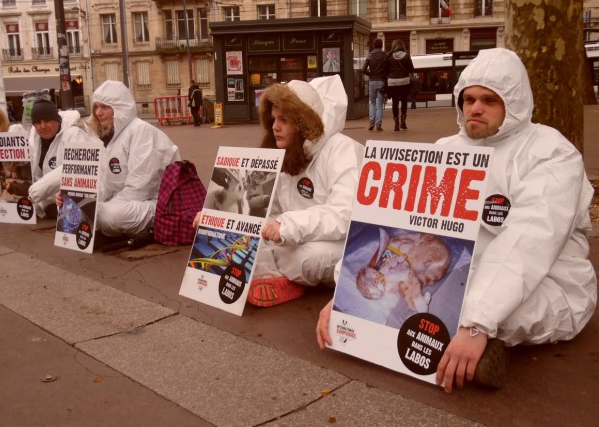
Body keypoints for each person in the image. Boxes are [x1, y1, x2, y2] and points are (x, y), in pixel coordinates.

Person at [316, 48, 597, 393]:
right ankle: (461, 350)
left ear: (516, 103)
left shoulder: (551, 153)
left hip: (546, 276)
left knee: (495, 309)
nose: (475, 108)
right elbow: (395, 216)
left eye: (489, 100)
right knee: (431, 301)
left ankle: (467, 344)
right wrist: (341, 302)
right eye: (469, 99)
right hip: (460, 267)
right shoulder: (446, 147)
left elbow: (530, 240)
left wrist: (478, 322)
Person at [248, 75, 363, 307]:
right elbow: (269, 207)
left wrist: (289, 226)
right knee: (249, 237)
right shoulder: (286, 151)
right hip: (294, 234)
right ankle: (279, 277)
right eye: (273, 119)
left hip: (341, 239)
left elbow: (345, 214)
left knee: (306, 258)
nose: (275, 127)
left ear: (303, 122)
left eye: (284, 120)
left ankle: (282, 277)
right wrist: (220, 219)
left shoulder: (341, 149)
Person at [79, 80, 180, 238]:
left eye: (105, 107)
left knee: (106, 215)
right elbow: (104, 182)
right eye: (96, 107)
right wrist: (78, 197)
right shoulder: (104, 135)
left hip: (154, 202)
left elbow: (140, 186)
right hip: (122, 200)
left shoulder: (141, 131)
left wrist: (100, 207)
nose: (98, 113)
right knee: (76, 207)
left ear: (119, 108)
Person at [27, 99, 87, 218]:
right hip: (47, 204)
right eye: (38, 122)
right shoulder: (36, 139)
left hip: (70, 202)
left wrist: (36, 192)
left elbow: (76, 167)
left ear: (58, 121)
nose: (43, 126)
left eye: (47, 120)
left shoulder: (73, 134)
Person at [385, 39, 415, 131]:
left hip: (392, 82)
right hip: (404, 81)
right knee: (404, 101)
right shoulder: (406, 56)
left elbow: (386, 69)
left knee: (395, 102)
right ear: (403, 46)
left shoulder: (389, 57)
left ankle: (396, 123)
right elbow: (411, 69)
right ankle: (403, 122)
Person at [361, 38, 388, 131]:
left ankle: (371, 122)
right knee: (379, 103)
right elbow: (387, 69)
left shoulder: (369, 56)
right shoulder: (385, 56)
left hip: (372, 81)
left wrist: (371, 74)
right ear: (381, 45)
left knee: (372, 102)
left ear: (373, 45)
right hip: (381, 81)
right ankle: (379, 124)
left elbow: (363, 69)